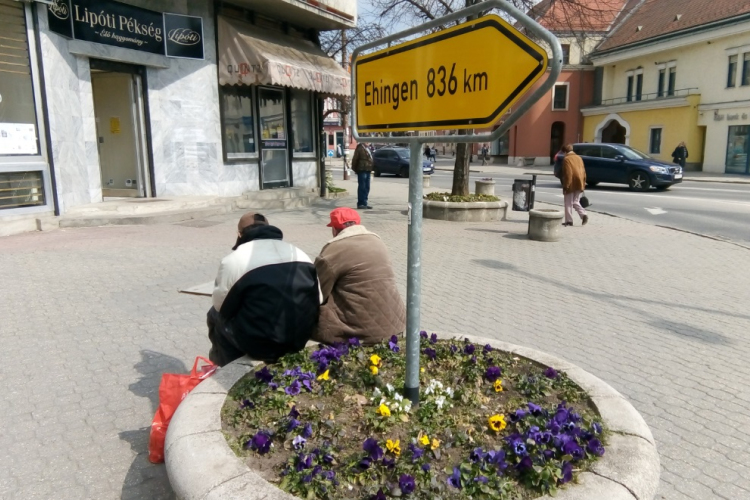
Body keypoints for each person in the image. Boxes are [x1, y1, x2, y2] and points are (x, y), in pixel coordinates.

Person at [207, 212, 321, 366]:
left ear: (239, 234)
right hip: (300, 338)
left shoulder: (235, 260)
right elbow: (318, 299)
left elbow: (221, 306)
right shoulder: (300, 254)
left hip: (261, 347)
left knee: (214, 315)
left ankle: (228, 371)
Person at [314, 207, 406, 345]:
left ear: (334, 229)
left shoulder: (333, 250)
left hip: (362, 332)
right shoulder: (378, 242)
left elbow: (316, 292)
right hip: (396, 323)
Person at [561, 144, 588, 227]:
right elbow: (583, 171)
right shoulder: (579, 158)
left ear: (565, 151)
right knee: (576, 201)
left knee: (568, 203)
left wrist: (566, 186)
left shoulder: (567, 159)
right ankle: (583, 214)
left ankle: (569, 221)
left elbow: (568, 173)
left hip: (571, 183)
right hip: (580, 182)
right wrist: (583, 183)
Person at [352, 142, 374, 209]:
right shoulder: (360, 147)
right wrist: (355, 169)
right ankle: (361, 203)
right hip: (362, 169)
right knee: (362, 186)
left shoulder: (368, 148)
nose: (369, 143)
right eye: (367, 141)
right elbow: (355, 159)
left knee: (367, 187)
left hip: (368, 169)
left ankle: (365, 203)